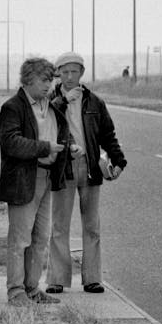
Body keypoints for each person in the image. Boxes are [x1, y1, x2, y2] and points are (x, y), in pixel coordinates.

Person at [0, 57, 81, 306]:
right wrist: (46, 148)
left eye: (50, 80)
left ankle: (32, 288)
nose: (48, 85)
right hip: (23, 179)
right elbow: (10, 143)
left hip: (46, 176)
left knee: (41, 237)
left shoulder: (49, 105)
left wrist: (68, 147)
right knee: (20, 239)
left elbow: (57, 133)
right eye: (43, 80)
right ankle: (15, 291)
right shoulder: (13, 107)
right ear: (28, 79)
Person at [45, 52, 127, 295]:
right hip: (63, 169)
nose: (70, 77)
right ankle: (56, 279)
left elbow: (108, 134)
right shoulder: (50, 100)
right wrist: (63, 102)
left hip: (90, 168)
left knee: (92, 226)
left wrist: (119, 160)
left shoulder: (94, 102)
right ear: (58, 73)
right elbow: (45, 124)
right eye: (65, 72)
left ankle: (92, 278)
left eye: (74, 71)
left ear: (82, 73)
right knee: (60, 226)